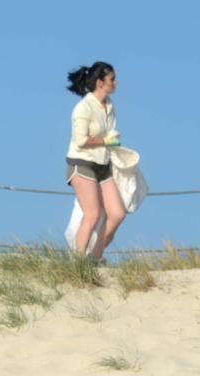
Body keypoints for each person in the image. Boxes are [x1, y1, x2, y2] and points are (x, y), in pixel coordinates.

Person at [65, 61, 126, 261]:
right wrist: (105, 141)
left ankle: (95, 258)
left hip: (103, 164)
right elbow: (80, 140)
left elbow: (111, 133)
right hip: (82, 163)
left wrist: (114, 143)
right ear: (100, 83)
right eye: (112, 79)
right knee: (92, 214)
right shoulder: (83, 107)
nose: (115, 83)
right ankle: (79, 262)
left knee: (117, 213)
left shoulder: (109, 105)